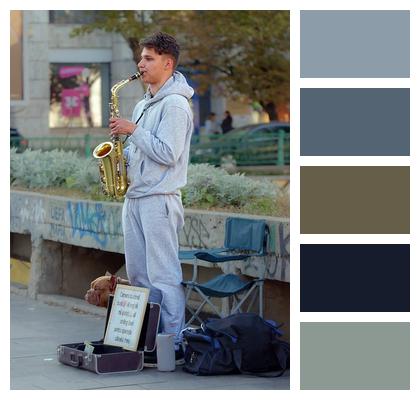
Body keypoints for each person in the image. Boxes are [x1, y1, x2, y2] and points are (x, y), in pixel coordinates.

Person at [109, 32, 194, 366]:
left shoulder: (175, 104)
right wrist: (119, 155)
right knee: (140, 277)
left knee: (163, 277)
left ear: (167, 63)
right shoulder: (144, 103)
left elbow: (169, 153)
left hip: (159, 199)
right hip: (135, 198)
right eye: (141, 58)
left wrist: (133, 131)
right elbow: (141, 151)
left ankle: (172, 346)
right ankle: (146, 344)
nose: (140, 64)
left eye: (148, 58)